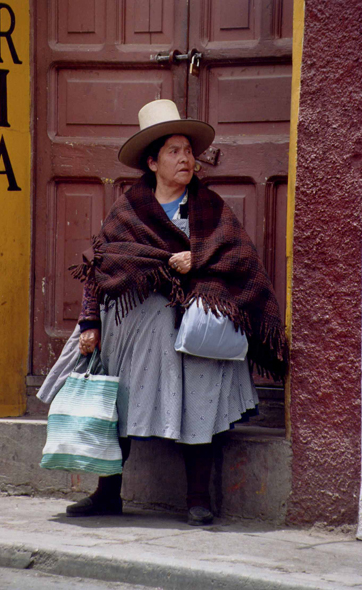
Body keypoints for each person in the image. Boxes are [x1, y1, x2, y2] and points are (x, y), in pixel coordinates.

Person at [65, 99, 288, 525]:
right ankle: (107, 493)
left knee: (200, 401)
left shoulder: (211, 208)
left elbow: (241, 260)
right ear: (152, 161)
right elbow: (101, 266)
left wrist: (198, 260)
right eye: (174, 151)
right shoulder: (127, 209)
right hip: (137, 330)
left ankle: (198, 499)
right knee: (118, 405)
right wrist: (89, 322)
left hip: (196, 327)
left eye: (188, 150)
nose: (186, 159)